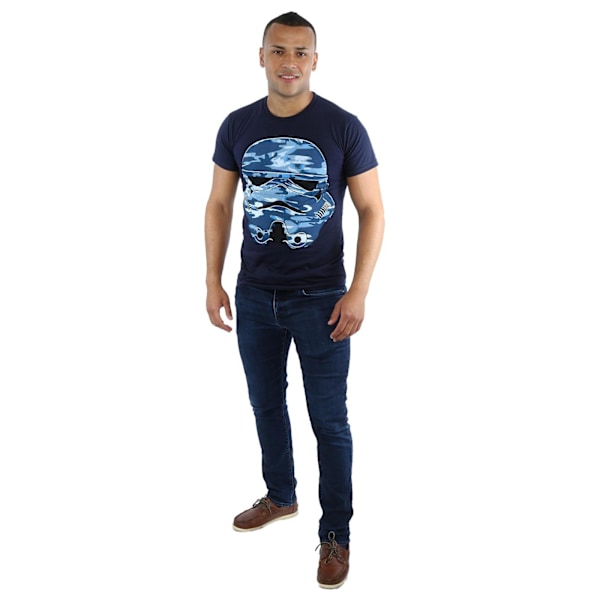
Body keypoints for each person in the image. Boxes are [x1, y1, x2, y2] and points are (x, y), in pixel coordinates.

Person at [204, 11, 384, 589]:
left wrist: (358, 291)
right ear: (261, 57)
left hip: (323, 297)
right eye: (278, 51)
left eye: (300, 52)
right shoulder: (237, 125)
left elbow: (372, 210)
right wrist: (213, 279)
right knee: (265, 404)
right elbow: (219, 203)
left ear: (315, 60)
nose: (289, 62)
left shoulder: (343, 127)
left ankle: (336, 534)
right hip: (254, 295)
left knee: (329, 421)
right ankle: (281, 495)